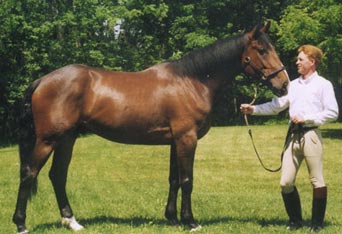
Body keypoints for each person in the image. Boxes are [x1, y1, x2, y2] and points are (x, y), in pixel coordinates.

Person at [240, 45, 339, 232]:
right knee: (285, 182)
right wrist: (253, 110)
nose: (297, 62)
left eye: (301, 59)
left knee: (317, 180)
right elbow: (276, 106)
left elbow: (333, 112)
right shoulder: (293, 85)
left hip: (311, 135)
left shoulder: (323, 85)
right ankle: (295, 221)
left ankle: (317, 224)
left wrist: (307, 118)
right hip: (292, 136)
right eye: (298, 59)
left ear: (313, 62)